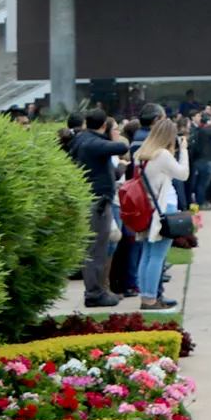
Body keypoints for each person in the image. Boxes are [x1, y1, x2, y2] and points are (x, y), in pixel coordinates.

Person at [72, 110, 131, 307]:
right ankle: (94, 293)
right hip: (98, 202)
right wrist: (112, 137)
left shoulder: (81, 139)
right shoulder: (92, 142)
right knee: (97, 249)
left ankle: (96, 290)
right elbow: (121, 147)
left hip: (94, 199)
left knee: (96, 247)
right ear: (104, 126)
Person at [132, 117, 187, 310]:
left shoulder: (141, 154)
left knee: (147, 254)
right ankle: (150, 298)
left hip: (148, 207)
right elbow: (183, 174)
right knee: (157, 256)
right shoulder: (162, 155)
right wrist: (184, 150)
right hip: (164, 207)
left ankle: (146, 296)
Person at [187, 112, 211, 208]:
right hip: (204, 159)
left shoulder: (199, 130)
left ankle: (202, 200)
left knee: (203, 183)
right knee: (203, 183)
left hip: (201, 159)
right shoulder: (205, 130)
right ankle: (201, 202)